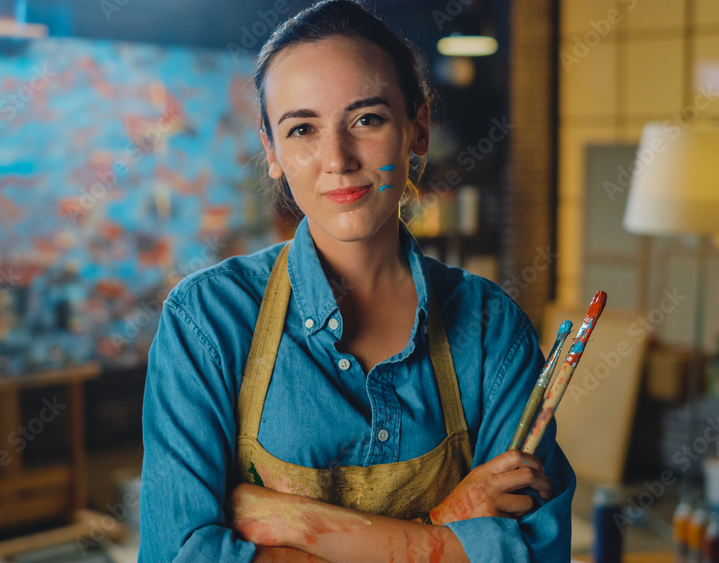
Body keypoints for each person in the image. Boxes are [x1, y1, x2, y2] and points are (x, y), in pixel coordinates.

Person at [139, 1, 574, 561]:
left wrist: (286, 521)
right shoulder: (207, 322)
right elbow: (179, 553)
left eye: (367, 119)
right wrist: (442, 534)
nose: (337, 159)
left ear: (417, 129)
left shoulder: (493, 331)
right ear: (272, 151)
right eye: (302, 129)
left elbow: (536, 551)